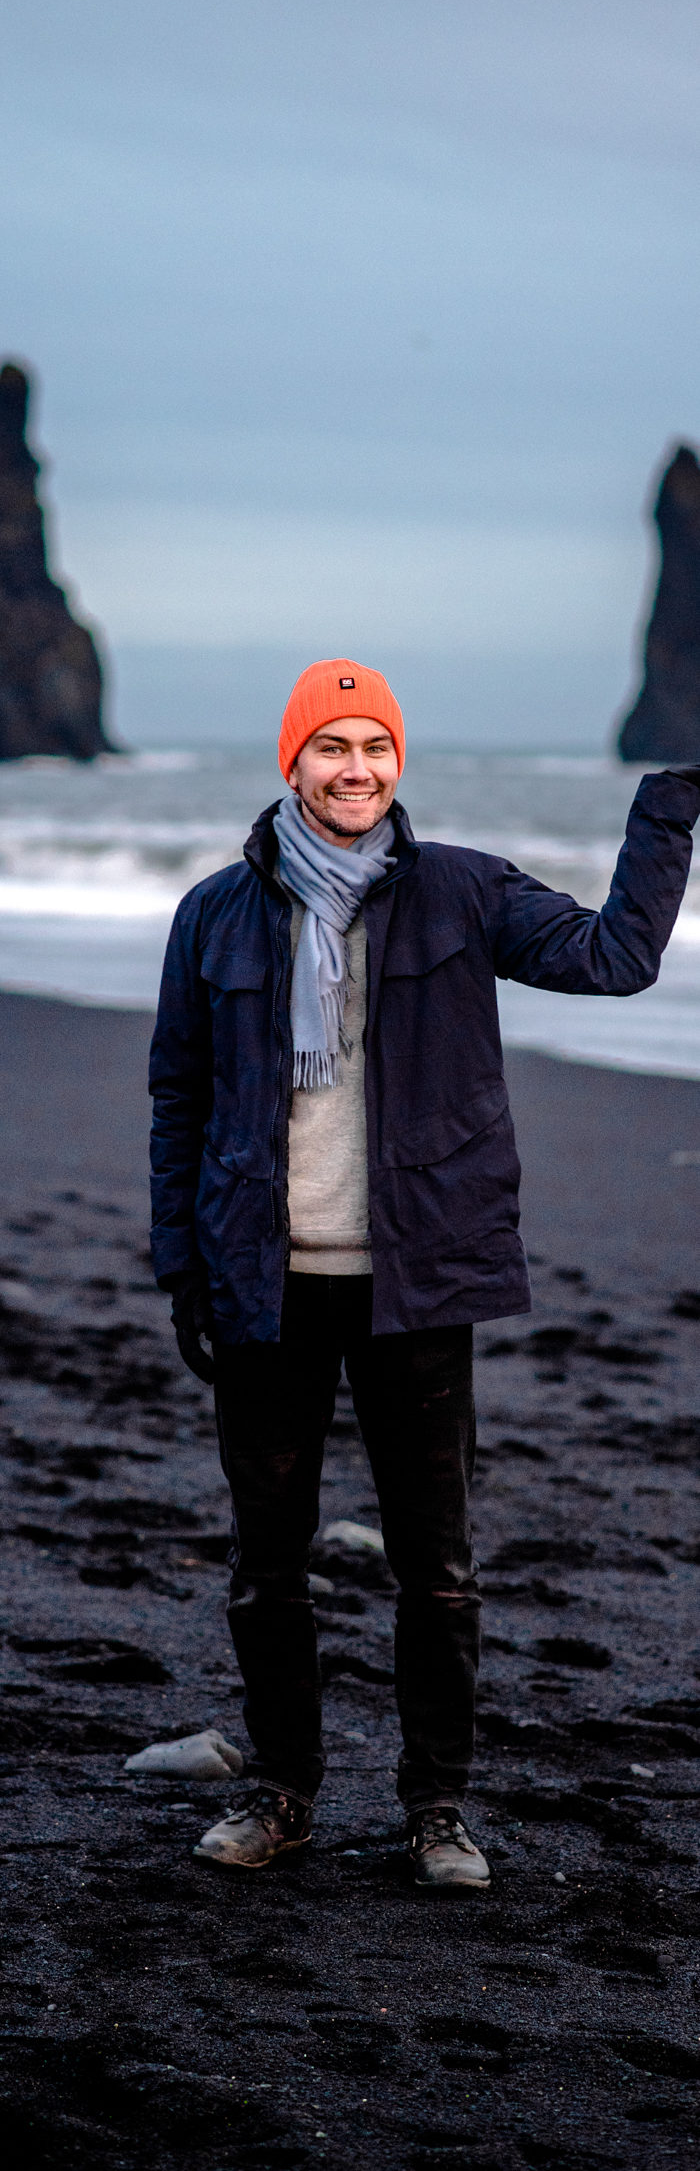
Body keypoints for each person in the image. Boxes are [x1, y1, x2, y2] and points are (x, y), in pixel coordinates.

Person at [149, 657, 700, 1889]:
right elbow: (179, 1097)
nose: (356, 770)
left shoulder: (458, 891)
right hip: (262, 1282)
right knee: (268, 1563)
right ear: (291, 762)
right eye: (331, 748)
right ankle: (284, 1794)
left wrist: (669, 804)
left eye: (375, 749)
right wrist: (180, 1264)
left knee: (436, 1570)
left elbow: (616, 959)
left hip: (417, 1283)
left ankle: (435, 1809)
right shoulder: (215, 916)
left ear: (399, 764)